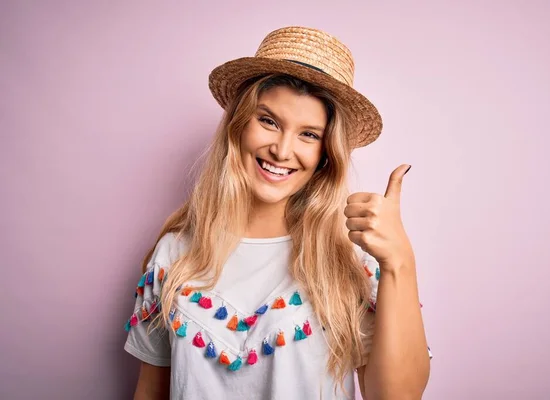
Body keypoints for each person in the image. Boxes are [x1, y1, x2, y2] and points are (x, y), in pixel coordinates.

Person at [123, 26, 431, 400]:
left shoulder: (351, 260)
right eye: (268, 121)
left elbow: (397, 397)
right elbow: (148, 392)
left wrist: (400, 261)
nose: (282, 151)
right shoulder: (174, 255)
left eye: (309, 135)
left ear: (324, 156)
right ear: (238, 126)